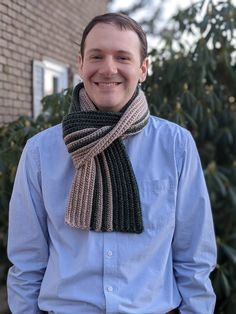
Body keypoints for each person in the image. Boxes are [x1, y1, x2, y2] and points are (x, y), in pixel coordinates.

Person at [7, 12, 217, 314]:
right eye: (96, 56)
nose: (108, 68)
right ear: (81, 64)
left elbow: (194, 258)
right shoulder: (41, 152)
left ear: (143, 69)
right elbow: (27, 263)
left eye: (122, 57)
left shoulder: (176, 146)